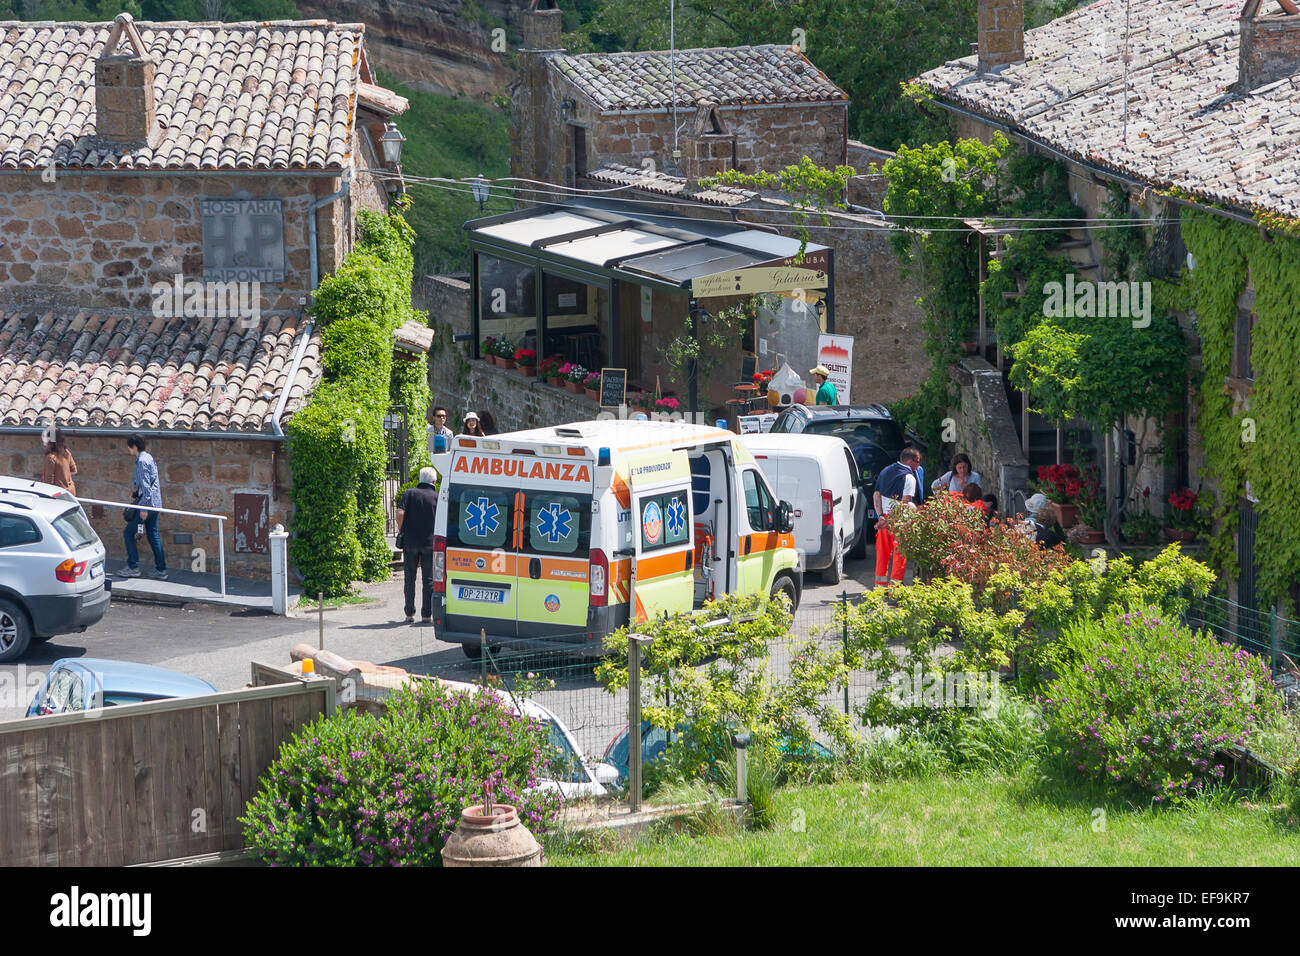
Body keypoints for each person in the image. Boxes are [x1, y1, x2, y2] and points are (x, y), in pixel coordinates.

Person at [872, 446, 922, 588]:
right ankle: (895, 587)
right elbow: (904, 503)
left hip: (884, 518)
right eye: (918, 462)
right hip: (899, 520)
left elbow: (876, 495)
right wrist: (890, 520)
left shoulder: (885, 471)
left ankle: (879, 587)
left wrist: (881, 516)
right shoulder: (909, 478)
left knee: (882, 553)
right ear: (912, 461)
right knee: (900, 554)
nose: (918, 466)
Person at [118, 433, 166, 580]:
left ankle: (133, 567)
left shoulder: (142, 462)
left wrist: (144, 508)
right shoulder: (148, 458)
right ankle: (161, 569)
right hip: (155, 504)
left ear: (134, 446)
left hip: (147, 505)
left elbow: (146, 487)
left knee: (128, 533)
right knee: (153, 535)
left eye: (129, 446)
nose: (128, 449)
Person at [397, 467, 440, 624]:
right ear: (434, 481)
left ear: (420, 479)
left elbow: (400, 513)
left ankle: (409, 613)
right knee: (428, 579)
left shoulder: (409, 493)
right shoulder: (437, 497)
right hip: (430, 544)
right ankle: (426, 615)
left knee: (410, 578)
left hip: (410, 542)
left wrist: (402, 530)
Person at [41, 426, 77, 495]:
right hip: (71, 493)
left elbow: (48, 483)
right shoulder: (66, 453)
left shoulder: (50, 458)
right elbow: (74, 471)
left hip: (59, 495)